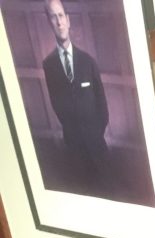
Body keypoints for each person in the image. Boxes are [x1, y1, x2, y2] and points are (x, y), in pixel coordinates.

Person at [42, 0, 110, 196]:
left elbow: (102, 104)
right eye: (53, 17)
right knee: (82, 194)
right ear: (49, 22)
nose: (59, 22)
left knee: (106, 192)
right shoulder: (49, 65)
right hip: (73, 148)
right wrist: (74, 134)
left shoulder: (88, 61)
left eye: (61, 16)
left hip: (97, 145)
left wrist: (96, 133)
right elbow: (56, 104)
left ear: (68, 20)